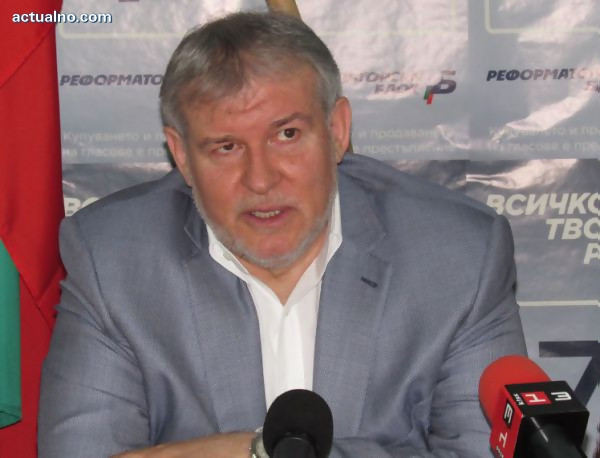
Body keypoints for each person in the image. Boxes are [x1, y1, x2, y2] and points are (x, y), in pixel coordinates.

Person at [38, 11, 526, 458]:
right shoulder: (112, 260)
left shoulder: (458, 257)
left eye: (286, 135)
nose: (261, 179)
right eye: (226, 147)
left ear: (337, 130)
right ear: (182, 156)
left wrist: (252, 452)